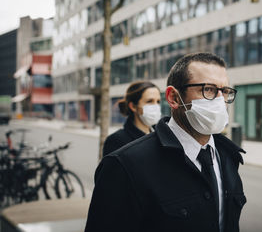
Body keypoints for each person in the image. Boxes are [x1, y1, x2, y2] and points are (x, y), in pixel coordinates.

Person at [85, 53, 246, 232]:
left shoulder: (228, 157)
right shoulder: (125, 165)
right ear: (173, 98)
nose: (219, 101)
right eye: (208, 89)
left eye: (224, 91)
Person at [102, 81, 161, 156]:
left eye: (158, 102)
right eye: (149, 101)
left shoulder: (160, 136)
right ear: (133, 106)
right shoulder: (115, 141)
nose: (156, 106)